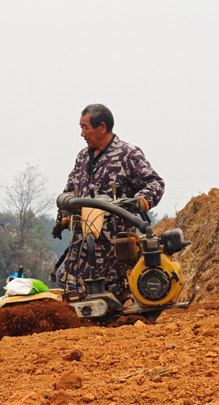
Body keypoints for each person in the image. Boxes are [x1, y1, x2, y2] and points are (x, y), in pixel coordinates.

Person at [52, 103, 164, 287]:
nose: (82, 134)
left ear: (102, 127)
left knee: (116, 308)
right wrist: (65, 217)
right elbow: (69, 192)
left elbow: (155, 183)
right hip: (79, 260)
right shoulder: (82, 158)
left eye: (85, 127)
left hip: (114, 261)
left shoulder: (127, 155)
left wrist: (142, 200)